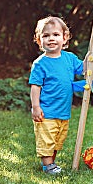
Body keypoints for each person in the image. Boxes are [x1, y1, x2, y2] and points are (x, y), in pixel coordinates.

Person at [29, 16, 84, 174]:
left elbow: (84, 69)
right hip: (46, 111)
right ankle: (48, 166)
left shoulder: (70, 58)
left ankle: (51, 163)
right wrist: (36, 107)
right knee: (46, 139)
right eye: (46, 36)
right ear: (39, 41)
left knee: (57, 140)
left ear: (64, 38)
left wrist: (91, 59)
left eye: (55, 35)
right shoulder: (40, 64)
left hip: (63, 111)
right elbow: (35, 86)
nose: (51, 39)